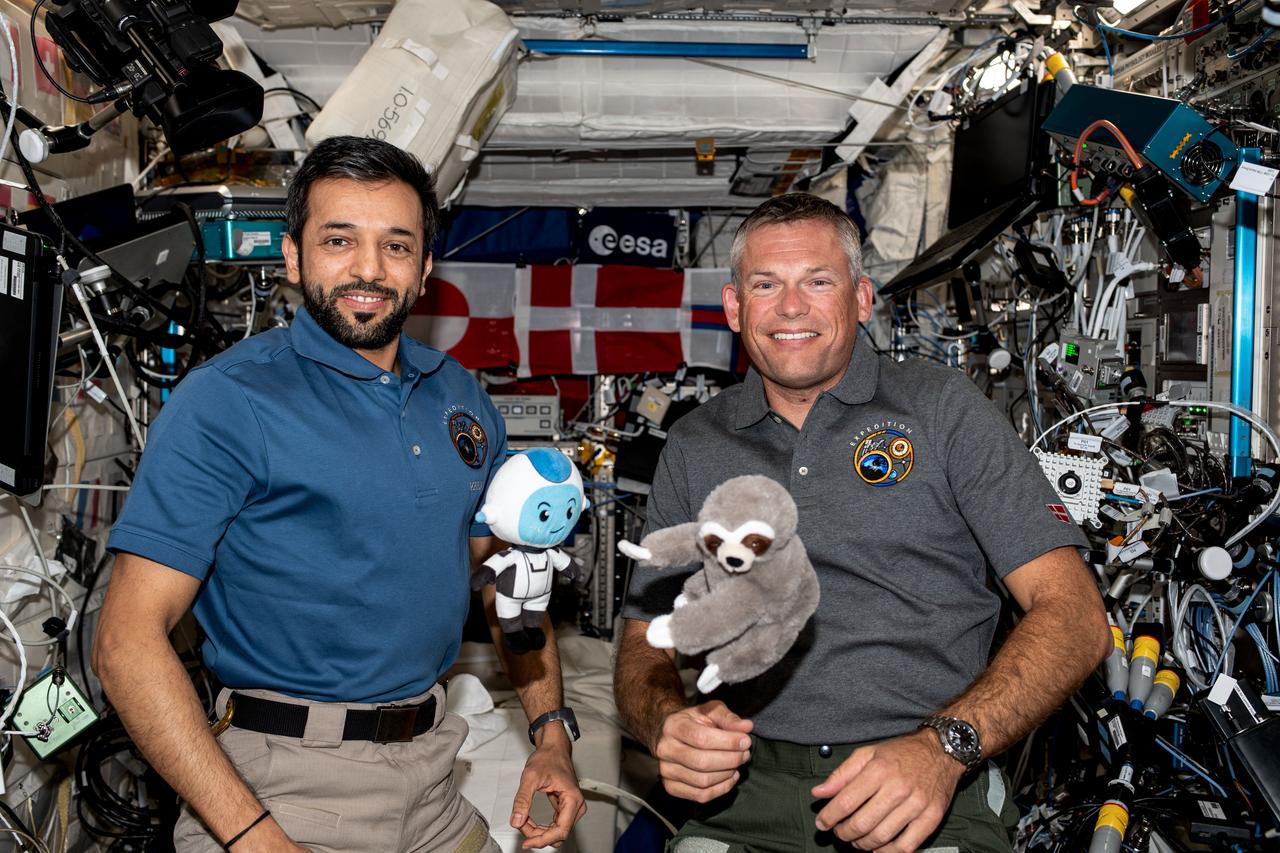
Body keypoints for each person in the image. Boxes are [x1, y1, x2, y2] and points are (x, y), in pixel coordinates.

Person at [94, 136, 585, 853]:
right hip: (281, 785)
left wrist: (550, 731)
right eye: (338, 239)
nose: (367, 269)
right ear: (292, 256)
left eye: (395, 245)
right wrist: (255, 836)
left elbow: (506, 580)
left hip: (432, 776)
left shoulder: (458, 395)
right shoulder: (228, 402)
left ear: (423, 270)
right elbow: (125, 643)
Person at [614, 193, 1110, 853]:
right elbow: (644, 646)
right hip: (745, 796)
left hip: (929, 783)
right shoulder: (695, 445)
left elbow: (1075, 617)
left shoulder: (942, 411)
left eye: (818, 281)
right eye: (767, 284)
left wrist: (943, 749)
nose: (791, 307)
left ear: (862, 299)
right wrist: (665, 723)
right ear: (735, 307)